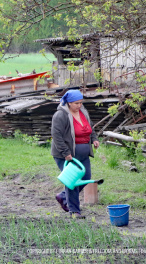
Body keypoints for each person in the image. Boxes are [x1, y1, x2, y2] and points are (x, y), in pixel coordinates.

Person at [51, 90, 100, 219]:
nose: (79, 105)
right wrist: (66, 153)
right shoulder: (60, 115)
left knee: (85, 178)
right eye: (76, 103)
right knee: (72, 180)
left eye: (80, 102)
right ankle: (74, 211)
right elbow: (57, 136)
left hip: (83, 154)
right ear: (68, 103)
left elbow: (90, 127)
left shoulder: (83, 112)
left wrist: (94, 138)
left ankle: (63, 196)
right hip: (66, 155)